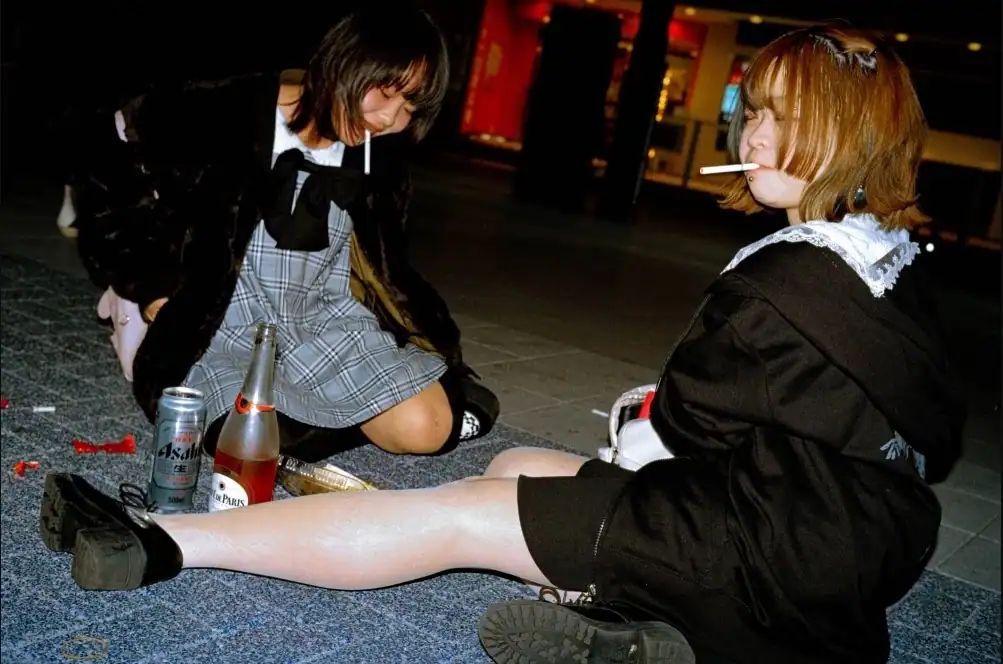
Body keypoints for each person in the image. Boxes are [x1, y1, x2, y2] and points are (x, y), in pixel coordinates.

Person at [42, 23, 964, 664]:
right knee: (518, 460)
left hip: (761, 545)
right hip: (847, 539)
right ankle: (648, 625)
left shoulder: (780, 279)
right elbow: (917, 432)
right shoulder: (888, 255)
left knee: (450, 516)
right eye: (752, 109)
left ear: (842, 135)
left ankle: (165, 542)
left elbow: (677, 428)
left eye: (777, 117)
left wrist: (637, 430)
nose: (752, 132)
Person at [67, 1, 499, 462]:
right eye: (384, 92)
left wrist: (432, 340)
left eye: (409, 106)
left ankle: (408, 402)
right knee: (249, 443)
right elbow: (105, 153)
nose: (389, 119)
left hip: (323, 321)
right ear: (344, 61)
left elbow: (390, 265)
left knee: (428, 429)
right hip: (221, 324)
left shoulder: (380, 155)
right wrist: (149, 283)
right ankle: (325, 422)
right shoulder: (227, 108)